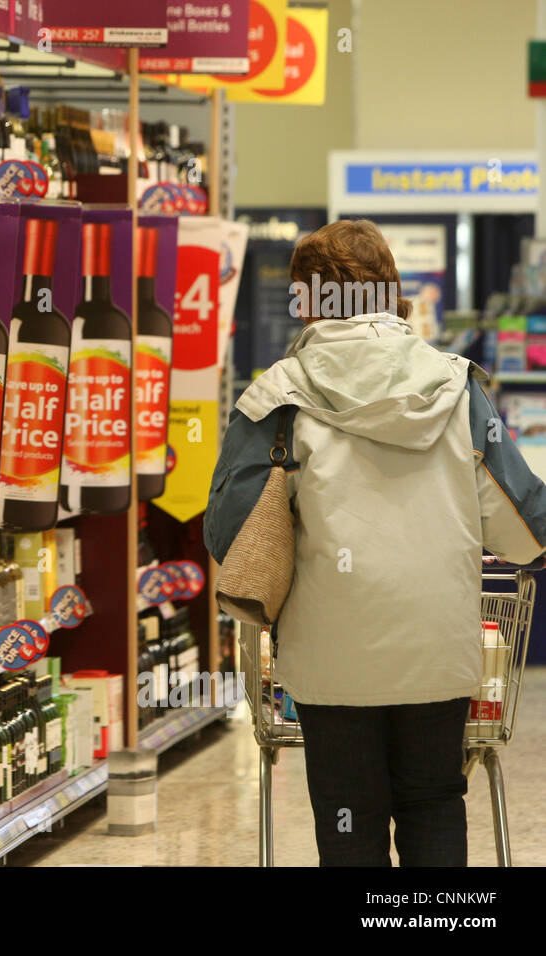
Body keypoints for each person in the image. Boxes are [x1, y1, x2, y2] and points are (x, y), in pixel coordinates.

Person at [204, 219, 546, 866]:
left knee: (348, 815)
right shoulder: (458, 389)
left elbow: (230, 532)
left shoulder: (276, 397)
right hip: (436, 645)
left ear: (306, 300)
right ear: (391, 292)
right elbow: (522, 526)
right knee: (435, 800)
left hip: (330, 660)